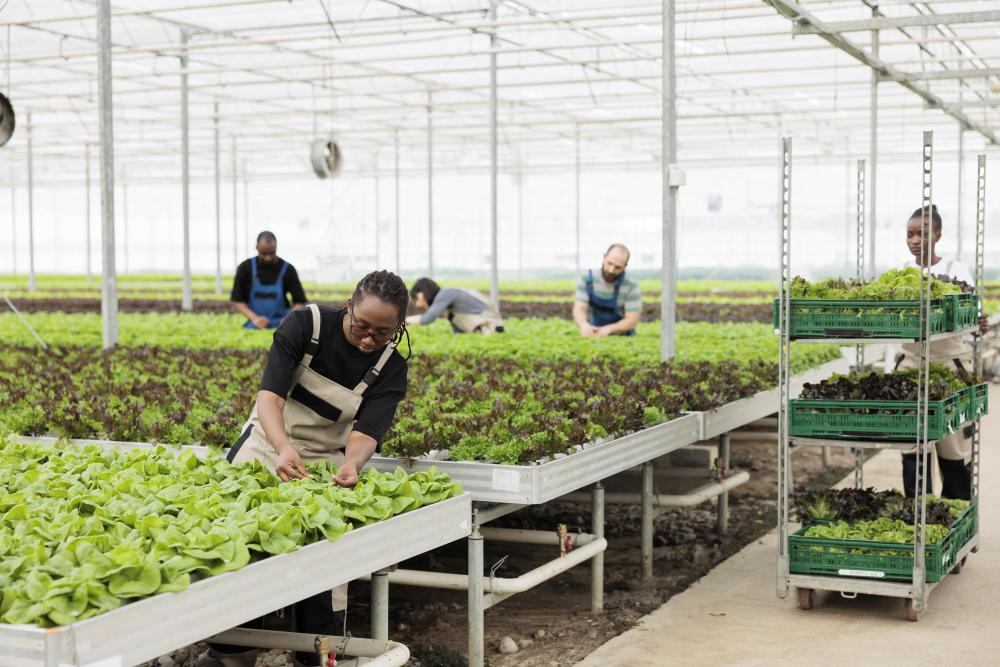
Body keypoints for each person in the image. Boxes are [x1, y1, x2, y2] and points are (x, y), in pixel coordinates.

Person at [208, 271, 410, 667]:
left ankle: (317, 657)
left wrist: (352, 463)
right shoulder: (306, 325)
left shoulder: (391, 367)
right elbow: (270, 398)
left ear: (398, 327)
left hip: (324, 460)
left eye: (382, 333)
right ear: (348, 306)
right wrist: (283, 447)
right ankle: (231, 655)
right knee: (241, 545)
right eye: (361, 326)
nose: (368, 338)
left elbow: (365, 432)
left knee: (325, 560)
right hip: (267, 445)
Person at [897, 205, 989, 500]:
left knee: (953, 447)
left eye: (922, 234)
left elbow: (973, 319)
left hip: (950, 366)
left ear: (937, 235)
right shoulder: (902, 273)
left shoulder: (955, 270)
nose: (914, 240)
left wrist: (979, 323)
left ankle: (954, 512)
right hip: (911, 365)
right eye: (910, 234)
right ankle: (917, 514)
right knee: (913, 447)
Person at [231, 231, 308, 329]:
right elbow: (237, 300)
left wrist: (286, 320)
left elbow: (299, 302)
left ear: (276, 247)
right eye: (264, 253)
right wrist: (255, 318)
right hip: (254, 324)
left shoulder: (288, 269)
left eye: (272, 253)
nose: (268, 258)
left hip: (282, 324)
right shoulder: (245, 267)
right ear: (257, 247)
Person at [573, 243, 641, 336]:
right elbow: (580, 308)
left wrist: (609, 329)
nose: (611, 270)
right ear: (604, 257)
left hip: (621, 335)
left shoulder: (631, 285)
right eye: (609, 263)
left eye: (618, 267)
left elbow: (632, 320)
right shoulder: (587, 279)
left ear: (625, 266)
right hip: (593, 332)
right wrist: (584, 325)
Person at [405, 277, 505, 334]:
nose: (417, 304)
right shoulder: (445, 299)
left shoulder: (444, 295)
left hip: (491, 328)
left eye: (416, 298)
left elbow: (427, 319)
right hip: (487, 329)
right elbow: (458, 328)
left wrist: (405, 321)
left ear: (422, 294)